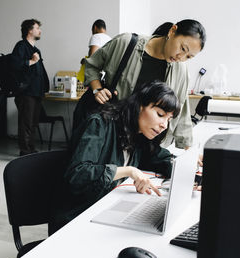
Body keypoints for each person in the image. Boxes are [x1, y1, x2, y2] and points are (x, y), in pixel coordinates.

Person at [49, 81, 180, 234]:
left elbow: (160, 158)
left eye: (169, 119)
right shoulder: (99, 123)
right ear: (139, 106)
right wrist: (128, 171)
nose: (164, 125)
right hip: (75, 218)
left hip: (104, 210)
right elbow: (78, 174)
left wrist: (189, 175)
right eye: (160, 114)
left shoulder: (139, 135)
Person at [81, 19, 206, 149]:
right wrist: (97, 89)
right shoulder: (125, 43)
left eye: (189, 56)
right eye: (183, 48)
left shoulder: (181, 69)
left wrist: (188, 153)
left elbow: (181, 109)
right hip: (110, 135)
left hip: (145, 146)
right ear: (172, 31)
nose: (181, 57)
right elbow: (91, 65)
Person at [11, 19, 49, 156]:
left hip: (37, 92)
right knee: (26, 122)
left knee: (33, 123)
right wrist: (31, 61)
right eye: (37, 28)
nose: (40, 30)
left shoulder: (36, 49)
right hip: (26, 92)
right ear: (29, 30)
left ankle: (31, 149)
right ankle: (25, 151)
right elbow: (14, 65)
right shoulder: (21, 46)